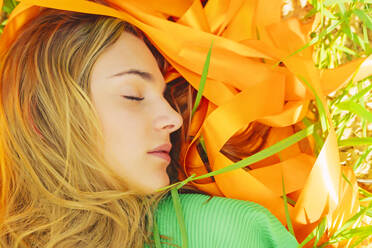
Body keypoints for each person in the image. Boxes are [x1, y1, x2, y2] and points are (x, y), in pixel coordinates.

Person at [0, 6, 299, 248]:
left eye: (165, 95)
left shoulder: (220, 232)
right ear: (39, 116)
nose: (173, 118)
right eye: (133, 95)